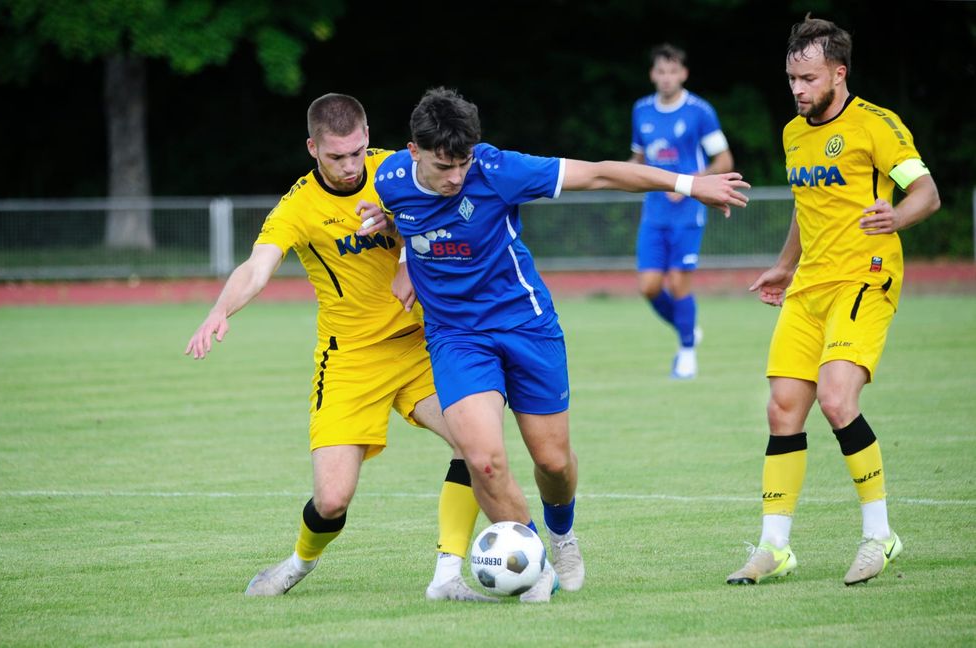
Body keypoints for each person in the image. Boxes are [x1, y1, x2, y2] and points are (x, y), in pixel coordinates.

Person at [372, 87, 749, 602]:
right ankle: (537, 568)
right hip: (456, 337)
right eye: (444, 167)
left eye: (463, 164)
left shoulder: (497, 170)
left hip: (526, 325)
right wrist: (402, 260)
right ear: (413, 152)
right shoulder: (389, 178)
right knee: (483, 460)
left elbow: (599, 173)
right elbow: (399, 219)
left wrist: (689, 182)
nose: (456, 178)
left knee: (552, 462)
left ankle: (563, 535)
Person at [184, 93, 494, 602]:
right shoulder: (299, 207)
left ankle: (447, 575)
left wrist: (405, 255)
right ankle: (298, 564)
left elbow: (451, 220)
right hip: (350, 359)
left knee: (477, 445)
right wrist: (221, 309)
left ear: (368, 136)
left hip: (424, 346)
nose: (350, 167)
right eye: (336, 157)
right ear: (313, 149)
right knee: (331, 500)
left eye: (356, 152)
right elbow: (258, 266)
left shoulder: (399, 170)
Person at [727, 15, 940, 586]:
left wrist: (896, 215)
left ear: (838, 73)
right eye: (792, 77)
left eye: (808, 77)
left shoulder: (876, 126)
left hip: (864, 277)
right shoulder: (794, 133)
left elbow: (926, 191)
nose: (797, 89)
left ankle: (880, 536)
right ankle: (775, 548)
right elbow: (806, 202)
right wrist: (784, 263)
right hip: (810, 285)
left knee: (837, 399)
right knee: (781, 410)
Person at [628, 43, 735, 379]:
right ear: (652, 74)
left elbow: (724, 161)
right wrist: (619, 174)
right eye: (661, 71)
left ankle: (686, 353)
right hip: (654, 210)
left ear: (684, 74)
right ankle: (688, 329)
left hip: (688, 209)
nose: (666, 77)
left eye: (673, 71)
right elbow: (639, 160)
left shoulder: (699, 111)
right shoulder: (641, 110)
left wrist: (688, 182)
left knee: (678, 282)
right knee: (648, 286)